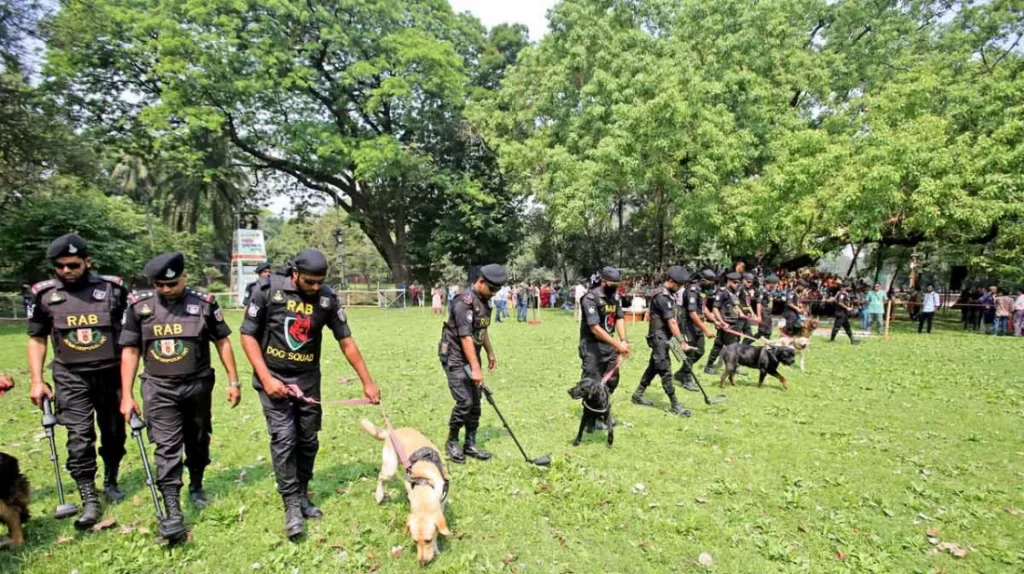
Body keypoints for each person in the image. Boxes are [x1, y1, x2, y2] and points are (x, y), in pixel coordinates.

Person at [239, 249, 380, 539]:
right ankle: (290, 503)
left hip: (307, 380)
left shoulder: (326, 298)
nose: (315, 287)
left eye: (320, 282)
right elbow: (247, 335)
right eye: (309, 282)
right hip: (273, 379)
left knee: (307, 439)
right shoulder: (268, 291)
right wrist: (266, 379)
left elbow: (346, 341)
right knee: (284, 438)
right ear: (295, 274)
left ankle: (302, 492)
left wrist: (367, 381)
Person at [118, 252, 241, 542]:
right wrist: (126, 394)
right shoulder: (139, 307)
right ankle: (172, 509)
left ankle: (196, 484)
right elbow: (130, 350)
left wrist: (234, 381)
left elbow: (222, 342)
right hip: (158, 388)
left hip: (197, 385)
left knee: (198, 439)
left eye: (171, 284)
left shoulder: (204, 304)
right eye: (159, 284)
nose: (165, 290)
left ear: (184, 277)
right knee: (166, 446)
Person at [26, 234, 128, 530]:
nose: (66, 271)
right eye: (59, 266)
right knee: (79, 436)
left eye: (72, 265)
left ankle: (111, 478)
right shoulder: (44, 296)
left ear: (87, 262)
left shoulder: (113, 290)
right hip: (70, 376)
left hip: (110, 373)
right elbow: (36, 339)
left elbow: (132, 335)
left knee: (113, 433)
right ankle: (88, 495)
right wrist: (36, 380)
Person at [439, 265, 506, 463]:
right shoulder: (463, 303)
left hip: (471, 356)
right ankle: (452, 442)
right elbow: (466, 337)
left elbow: (481, 330)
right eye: (492, 289)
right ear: (480, 281)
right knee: (465, 402)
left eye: (497, 290)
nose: (494, 293)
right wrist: (476, 369)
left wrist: (490, 352)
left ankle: (470, 443)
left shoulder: (485, 302)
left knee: (476, 403)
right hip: (455, 356)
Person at [632, 266, 691, 416]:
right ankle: (675, 403)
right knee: (665, 369)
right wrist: (681, 341)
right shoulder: (662, 297)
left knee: (654, 367)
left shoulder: (669, 295)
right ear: (671, 281)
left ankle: (638, 394)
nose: (679, 288)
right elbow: (671, 322)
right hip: (659, 338)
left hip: (665, 337)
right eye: (678, 285)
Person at [576, 268, 631, 428]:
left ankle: (601, 410)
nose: (615, 287)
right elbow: (595, 328)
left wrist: (623, 340)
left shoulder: (614, 297)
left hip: (609, 346)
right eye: (612, 284)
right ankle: (591, 419)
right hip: (592, 347)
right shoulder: (590, 298)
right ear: (603, 281)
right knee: (591, 383)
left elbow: (619, 318)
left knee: (611, 380)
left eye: (617, 284)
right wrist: (618, 345)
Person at [704, 272, 743, 374]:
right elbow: (715, 309)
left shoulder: (734, 293)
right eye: (734, 282)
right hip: (727, 324)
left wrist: (742, 314)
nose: (736, 284)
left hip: (734, 324)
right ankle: (733, 367)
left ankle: (709, 365)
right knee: (732, 346)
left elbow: (735, 307)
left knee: (719, 345)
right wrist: (721, 322)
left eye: (738, 283)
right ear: (729, 281)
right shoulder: (723, 292)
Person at [755, 275, 779, 339]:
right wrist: (759, 316)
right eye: (776, 283)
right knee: (761, 332)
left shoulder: (770, 291)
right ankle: (747, 342)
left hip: (768, 313)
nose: (776, 285)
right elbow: (758, 303)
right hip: (763, 313)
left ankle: (768, 348)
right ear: (771, 283)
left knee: (768, 332)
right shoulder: (762, 291)